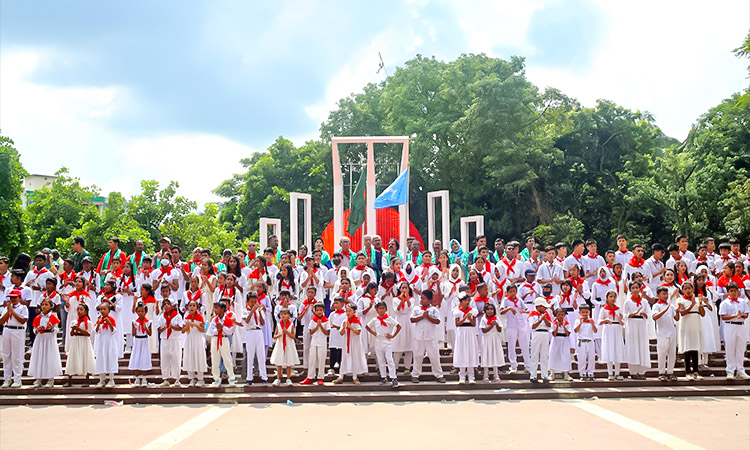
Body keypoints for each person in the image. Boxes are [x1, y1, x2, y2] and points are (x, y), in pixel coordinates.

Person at [410, 290, 445, 383]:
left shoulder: (434, 310)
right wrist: (422, 316)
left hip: (431, 337)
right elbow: (412, 319)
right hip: (419, 337)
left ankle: (439, 375)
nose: (421, 300)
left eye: (423, 298)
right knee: (418, 356)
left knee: (434, 356)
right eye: (421, 298)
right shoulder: (416, 309)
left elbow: (438, 321)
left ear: (429, 300)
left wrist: (428, 317)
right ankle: (415, 375)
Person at [28, 297, 63, 387]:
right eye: (42, 305)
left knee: (50, 357)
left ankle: (50, 379)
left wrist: (51, 327)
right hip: (40, 338)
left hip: (49, 339)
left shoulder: (53, 317)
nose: (44, 306)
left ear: (51, 306)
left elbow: (56, 330)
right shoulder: (38, 317)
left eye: (46, 305)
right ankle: (38, 378)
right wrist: (37, 330)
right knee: (39, 356)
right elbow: (33, 329)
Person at [366, 301, 401, 387]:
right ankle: (383, 376)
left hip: (387, 341)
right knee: (381, 360)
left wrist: (392, 335)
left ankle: (393, 377)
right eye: (380, 308)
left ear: (386, 309)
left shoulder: (389, 319)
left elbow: (398, 326)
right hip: (378, 341)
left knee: (389, 359)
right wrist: (374, 333)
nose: (381, 310)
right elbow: (367, 326)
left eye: (383, 308)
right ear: (377, 310)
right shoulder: (375, 320)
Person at [719, 283, 749, 379]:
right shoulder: (724, 303)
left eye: (735, 291)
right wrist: (734, 316)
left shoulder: (742, 302)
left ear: (738, 292)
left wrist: (741, 315)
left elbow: (746, 314)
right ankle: (730, 370)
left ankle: (740, 370)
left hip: (741, 325)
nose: (733, 293)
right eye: (731, 291)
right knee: (730, 348)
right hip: (730, 325)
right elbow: (723, 316)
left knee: (740, 348)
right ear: (728, 292)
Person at [24, 252, 55, 346]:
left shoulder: (48, 274)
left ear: (45, 262)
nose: (38, 262)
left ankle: (42, 338)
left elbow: (52, 287)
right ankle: (32, 339)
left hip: (43, 300)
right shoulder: (30, 273)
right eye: (36, 260)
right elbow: (24, 285)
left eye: (41, 260)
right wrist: (28, 284)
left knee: (42, 320)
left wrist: (40, 288)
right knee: (32, 321)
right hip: (32, 300)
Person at [677, 281, 704, 380]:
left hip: (695, 323)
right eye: (685, 289)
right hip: (686, 324)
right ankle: (688, 371)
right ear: (682, 290)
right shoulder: (680, 300)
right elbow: (682, 313)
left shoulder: (697, 299)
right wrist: (692, 304)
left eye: (689, 288)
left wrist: (700, 304)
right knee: (687, 347)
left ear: (693, 289)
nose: (688, 290)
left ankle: (696, 371)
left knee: (695, 347)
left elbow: (702, 313)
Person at [0, 289, 28, 388]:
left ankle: (17, 378)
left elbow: (22, 320)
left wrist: (13, 312)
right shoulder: (7, 308)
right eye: (11, 297)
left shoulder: (23, 307)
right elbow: (1, 321)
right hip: (7, 329)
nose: (13, 299)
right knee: (6, 355)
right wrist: (8, 311)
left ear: (20, 298)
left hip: (18, 330)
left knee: (17, 355)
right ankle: (7, 379)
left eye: (15, 297)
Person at [624, 281, 651, 379]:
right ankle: (633, 371)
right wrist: (630, 314)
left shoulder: (644, 302)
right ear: (630, 290)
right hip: (632, 324)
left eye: (637, 287)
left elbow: (649, 313)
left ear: (640, 289)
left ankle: (641, 370)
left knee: (642, 345)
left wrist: (645, 315)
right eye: (633, 288)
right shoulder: (627, 301)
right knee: (633, 345)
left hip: (642, 324)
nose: (635, 290)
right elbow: (624, 315)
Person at [335, 303, 368, 384]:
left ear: (354, 311)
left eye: (350, 311)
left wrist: (350, 327)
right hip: (347, 342)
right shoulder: (345, 321)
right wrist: (343, 327)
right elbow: (341, 333)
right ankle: (341, 376)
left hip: (355, 343)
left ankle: (355, 377)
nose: (348, 313)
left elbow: (358, 332)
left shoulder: (357, 321)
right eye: (347, 311)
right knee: (344, 358)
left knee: (355, 358)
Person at [63, 303, 95, 387]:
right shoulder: (74, 321)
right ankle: (69, 380)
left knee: (86, 358)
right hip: (76, 341)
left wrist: (78, 329)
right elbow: (71, 334)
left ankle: (87, 380)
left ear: (86, 311)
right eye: (78, 310)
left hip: (84, 341)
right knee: (72, 358)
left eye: (81, 310)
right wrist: (73, 330)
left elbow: (88, 334)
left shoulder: (88, 322)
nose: (79, 311)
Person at [652, 286, 679, 381]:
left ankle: (670, 371)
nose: (665, 296)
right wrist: (665, 309)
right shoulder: (656, 306)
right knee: (662, 352)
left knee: (672, 353)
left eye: (666, 294)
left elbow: (676, 318)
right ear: (658, 295)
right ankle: (661, 372)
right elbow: (655, 317)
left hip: (672, 331)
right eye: (663, 294)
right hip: (662, 332)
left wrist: (678, 310)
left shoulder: (671, 306)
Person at [500, 284, 529, 374]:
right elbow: (501, 311)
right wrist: (509, 308)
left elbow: (527, 309)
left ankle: (527, 364)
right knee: (511, 345)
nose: (513, 293)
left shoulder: (519, 300)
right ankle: (513, 365)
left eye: (514, 291)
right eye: (511, 292)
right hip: (511, 324)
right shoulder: (505, 300)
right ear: (508, 292)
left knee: (524, 344)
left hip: (521, 323)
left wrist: (523, 311)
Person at [207, 300, 236, 387]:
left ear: (223, 309)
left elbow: (230, 331)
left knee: (227, 359)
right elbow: (210, 332)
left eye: (217, 308)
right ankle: (216, 379)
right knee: (215, 360)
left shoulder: (228, 319)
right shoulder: (214, 320)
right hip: (215, 339)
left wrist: (222, 328)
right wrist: (218, 330)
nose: (215, 310)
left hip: (224, 339)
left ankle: (231, 378)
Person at [240, 292, 267, 385]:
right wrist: (252, 311)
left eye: (255, 302)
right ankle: (249, 378)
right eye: (252, 302)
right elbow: (246, 321)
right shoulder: (245, 310)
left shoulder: (259, 311)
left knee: (261, 354)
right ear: (247, 302)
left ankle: (264, 377)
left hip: (258, 332)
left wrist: (259, 311)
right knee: (250, 355)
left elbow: (263, 323)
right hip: (249, 332)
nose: (253, 304)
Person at [599, 290, 625, 380]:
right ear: (607, 298)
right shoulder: (604, 309)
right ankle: (610, 372)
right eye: (611, 297)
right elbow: (599, 321)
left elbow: (623, 323)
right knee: (609, 349)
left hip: (617, 330)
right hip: (608, 330)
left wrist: (621, 320)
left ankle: (617, 373)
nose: (613, 298)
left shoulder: (618, 309)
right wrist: (605, 320)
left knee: (617, 349)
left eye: (614, 297)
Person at [300, 303, 329, 385]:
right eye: (317, 310)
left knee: (321, 360)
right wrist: (317, 326)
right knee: (312, 359)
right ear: (315, 311)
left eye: (321, 310)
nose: (319, 312)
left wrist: (321, 326)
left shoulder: (326, 321)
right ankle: (310, 377)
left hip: (322, 342)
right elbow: (311, 332)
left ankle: (320, 377)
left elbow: (327, 332)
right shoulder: (313, 321)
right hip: (314, 342)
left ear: (323, 311)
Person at [157, 299, 183, 387]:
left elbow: (180, 327)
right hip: (165, 339)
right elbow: (159, 329)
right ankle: (165, 378)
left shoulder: (177, 316)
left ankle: (177, 379)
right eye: (165, 304)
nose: (166, 306)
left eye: (168, 304)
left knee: (176, 357)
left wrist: (172, 326)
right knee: (164, 358)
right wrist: (165, 327)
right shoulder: (161, 317)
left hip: (175, 339)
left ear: (172, 306)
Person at [453, 294, 478, 384]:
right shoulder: (457, 311)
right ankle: (462, 375)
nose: (467, 302)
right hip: (462, 332)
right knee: (462, 351)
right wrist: (464, 318)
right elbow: (457, 324)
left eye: (468, 300)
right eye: (465, 300)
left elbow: (474, 324)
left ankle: (471, 375)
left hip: (470, 331)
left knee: (470, 351)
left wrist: (470, 318)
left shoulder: (473, 311)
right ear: (461, 302)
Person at [270, 308, 299, 386]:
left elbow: (293, 336)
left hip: (289, 344)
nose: (283, 315)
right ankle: (278, 378)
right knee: (279, 361)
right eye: (281, 314)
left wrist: (287, 332)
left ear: (289, 316)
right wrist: (280, 334)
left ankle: (288, 378)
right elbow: (274, 336)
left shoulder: (291, 325)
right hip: (280, 344)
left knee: (288, 361)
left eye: (285, 314)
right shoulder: (279, 325)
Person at [93, 302, 118, 388]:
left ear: (109, 310)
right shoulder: (99, 319)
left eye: (104, 309)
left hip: (109, 341)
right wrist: (99, 323)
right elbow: (96, 331)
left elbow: (114, 331)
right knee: (101, 359)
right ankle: (102, 379)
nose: (102, 311)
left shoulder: (112, 319)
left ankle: (111, 379)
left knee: (110, 359)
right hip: (101, 342)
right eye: (101, 309)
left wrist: (109, 323)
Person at [392, 281, 415, 375]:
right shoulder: (395, 300)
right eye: (403, 288)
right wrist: (401, 300)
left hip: (408, 322)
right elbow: (396, 311)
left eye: (406, 288)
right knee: (398, 345)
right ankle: (395, 367)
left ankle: (407, 368)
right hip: (400, 321)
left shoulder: (412, 299)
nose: (404, 290)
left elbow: (410, 309)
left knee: (409, 346)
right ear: (399, 289)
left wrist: (407, 299)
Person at [527, 297, 552, 383]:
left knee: (544, 355)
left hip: (545, 333)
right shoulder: (532, 314)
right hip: (536, 333)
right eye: (543, 306)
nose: (545, 308)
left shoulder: (546, 314)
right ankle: (533, 375)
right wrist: (540, 319)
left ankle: (544, 375)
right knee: (534, 355)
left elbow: (549, 325)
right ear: (538, 306)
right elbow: (533, 326)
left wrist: (544, 319)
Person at [129, 302, 153, 386]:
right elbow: (133, 334)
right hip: (137, 341)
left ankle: (144, 379)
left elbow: (150, 333)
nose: (140, 313)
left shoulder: (148, 322)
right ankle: (136, 378)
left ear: (145, 312)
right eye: (138, 311)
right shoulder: (134, 322)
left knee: (144, 358)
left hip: (144, 340)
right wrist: (135, 329)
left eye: (142, 311)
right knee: (136, 358)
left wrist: (145, 327)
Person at [480, 303, 504, 383]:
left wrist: (496, 324)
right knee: (486, 356)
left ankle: (496, 374)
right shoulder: (484, 319)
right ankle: (486, 375)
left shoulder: (497, 318)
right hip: (487, 339)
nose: (490, 311)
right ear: (485, 311)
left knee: (495, 355)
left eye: (491, 309)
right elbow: (484, 330)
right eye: (488, 309)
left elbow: (500, 329)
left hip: (495, 338)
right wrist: (491, 325)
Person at [574, 305, 597, 381]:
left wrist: (592, 323)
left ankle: (591, 372)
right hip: (582, 341)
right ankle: (582, 373)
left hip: (590, 341)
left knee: (591, 357)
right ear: (579, 312)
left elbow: (595, 331)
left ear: (589, 312)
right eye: (583, 312)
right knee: (581, 358)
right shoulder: (578, 320)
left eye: (586, 312)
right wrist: (580, 323)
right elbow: (575, 330)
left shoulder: (591, 320)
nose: (584, 314)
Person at [298, 286, 318, 373]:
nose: (310, 294)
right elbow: (299, 318)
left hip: (315, 327)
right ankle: (305, 368)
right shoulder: (303, 304)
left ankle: (315, 368)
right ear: (306, 293)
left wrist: (313, 311)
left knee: (315, 347)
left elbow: (320, 316)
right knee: (306, 347)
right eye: (308, 292)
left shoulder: (317, 304)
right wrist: (304, 310)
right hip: (306, 327)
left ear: (315, 294)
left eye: (312, 292)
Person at [328, 297, 346, 376]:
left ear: (342, 304)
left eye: (337, 303)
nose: (335, 305)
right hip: (334, 335)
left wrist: (338, 327)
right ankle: (331, 368)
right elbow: (329, 323)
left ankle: (341, 368)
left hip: (341, 335)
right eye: (334, 303)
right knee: (333, 351)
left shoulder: (345, 314)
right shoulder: (332, 314)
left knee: (341, 351)